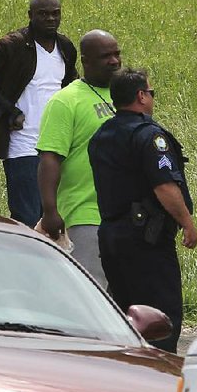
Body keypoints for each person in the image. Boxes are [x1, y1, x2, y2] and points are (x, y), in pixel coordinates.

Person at [88, 68, 197, 353]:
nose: (151, 98)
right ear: (141, 96)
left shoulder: (102, 134)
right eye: (151, 92)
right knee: (160, 317)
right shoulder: (149, 136)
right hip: (146, 241)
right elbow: (165, 187)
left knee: (127, 316)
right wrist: (187, 222)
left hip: (112, 236)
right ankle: (159, 380)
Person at [0, 0, 78, 227]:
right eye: (43, 14)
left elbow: (71, 87)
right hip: (23, 146)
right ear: (30, 15)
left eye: (55, 14)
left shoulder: (65, 47)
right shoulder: (14, 44)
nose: (50, 19)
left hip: (57, 145)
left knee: (57, 219)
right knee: (27, 219)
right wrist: (6, 109)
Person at [36, 29, 120, 287]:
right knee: (92, 290)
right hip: (85, 213)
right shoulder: (65, 102)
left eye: (117, 54)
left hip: (124, 216)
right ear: (85, 61)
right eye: (106, 56)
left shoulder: (125, 96)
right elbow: (50, 158)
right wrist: (50, 210)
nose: (115, 61)